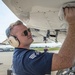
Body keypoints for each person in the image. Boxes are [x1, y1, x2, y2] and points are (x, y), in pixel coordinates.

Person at [5, 7, 75, 75]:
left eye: (28, 30)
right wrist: (72, 23)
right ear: (13, 41)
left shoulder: (20, 56)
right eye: (25, 33)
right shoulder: (26, 59)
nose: (29, 33)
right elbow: (65, 61)